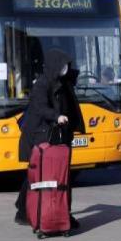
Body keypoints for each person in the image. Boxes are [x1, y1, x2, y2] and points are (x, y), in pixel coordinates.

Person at [14, 49, 85, 226]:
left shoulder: (63, 82)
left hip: (59, 135)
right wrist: (57, 116)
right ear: (55, 65)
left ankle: (62, 212)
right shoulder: (42, 84)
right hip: (39, 135)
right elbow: (40, 108)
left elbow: (71, 104)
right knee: (38, 175)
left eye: (67, 66)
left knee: (59, 175)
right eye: (63, 66)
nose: (66, 69)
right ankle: (26, 210)